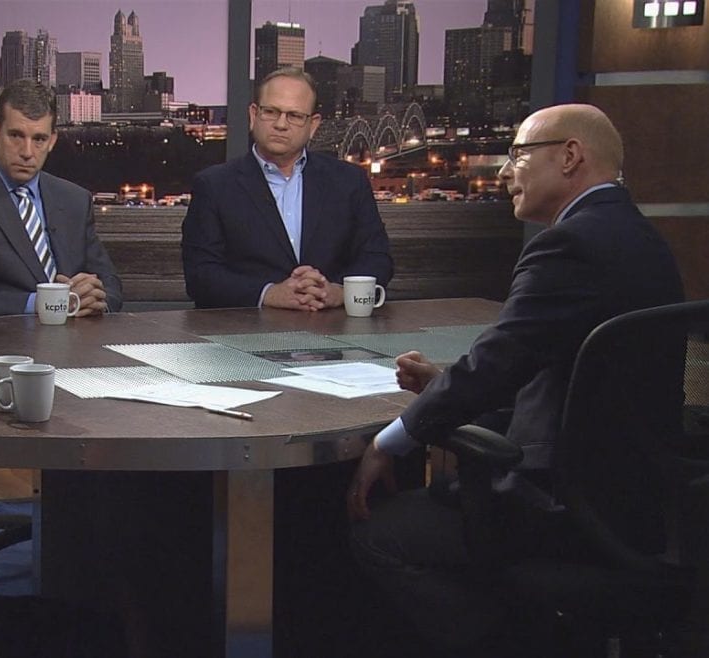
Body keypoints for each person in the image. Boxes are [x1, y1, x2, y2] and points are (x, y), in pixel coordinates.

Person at [345, 104, 684, 655]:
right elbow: (548, 365)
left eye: (518, 155)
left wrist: (391, 441)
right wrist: (448, 382)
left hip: (567, 506)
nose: (504, 172)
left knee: (379, 534)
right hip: (636, 498)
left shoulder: (569, 245)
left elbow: (497, 363)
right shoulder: (640, 237)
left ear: (569, 156)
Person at [181, 67, 392, 311]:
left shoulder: (349, 181)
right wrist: (269, 293)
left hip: (333, 323)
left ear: (313, 125)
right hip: (248, 326)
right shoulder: (214, 185)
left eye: (294, 115)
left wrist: (338, 292)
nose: (281, 124)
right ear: (253, 115)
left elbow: (377, 258)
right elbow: (200, 275)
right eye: (271, 112)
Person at [0, 79, 123, 318]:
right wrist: (47, 303)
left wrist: (96, 298)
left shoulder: (75, 200)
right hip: (3, 340)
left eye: (39, 139)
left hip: (78, 337)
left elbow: (110, 285)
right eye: (16, 136)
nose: (27, 152)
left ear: (52, 141)